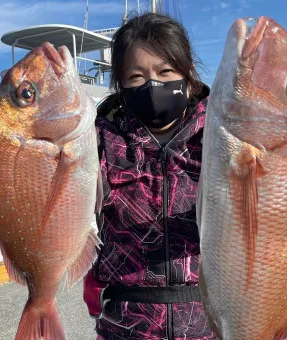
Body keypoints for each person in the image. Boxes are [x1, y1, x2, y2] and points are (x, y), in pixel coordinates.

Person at [83, 12, 215, 340]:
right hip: (124, 326)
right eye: (136, 76)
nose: (153, 83)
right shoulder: (98, 141)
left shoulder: (222, 139)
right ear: (121, 85)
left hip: (213, 322)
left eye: (165, 71)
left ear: (189, 76)